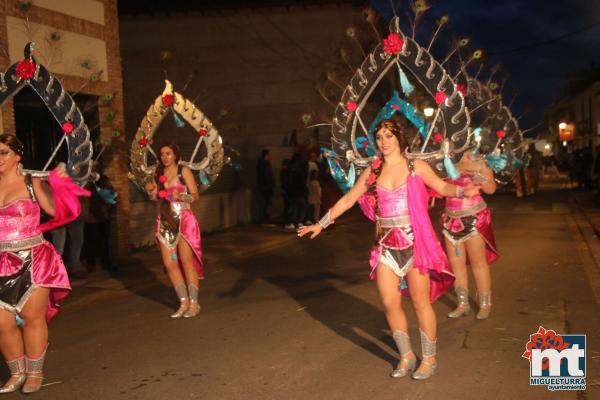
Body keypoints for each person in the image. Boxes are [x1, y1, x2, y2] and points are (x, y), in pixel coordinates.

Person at [299, 119, 478, 380]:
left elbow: (441, 187)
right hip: (385, 245)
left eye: (388, 136)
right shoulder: (373, 169)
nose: (384, 141)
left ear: (399, 138)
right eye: (380, 137)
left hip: (414, 243)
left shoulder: (416, 166)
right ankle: (406, 356)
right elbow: (349, 198)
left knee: (419, 302)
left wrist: (462, 191)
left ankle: (429, 359)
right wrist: (321, 223)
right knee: (389, 302)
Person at [0, 134, 89, 393]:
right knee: (2, 323)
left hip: (33, 258)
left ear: (18, 155)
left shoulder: (31, 182)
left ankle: (35, 373)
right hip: (0, 261)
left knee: (32, 317)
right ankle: (17, 373)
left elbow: (53, 209)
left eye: (4, 152)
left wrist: (58, 184)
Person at [145, 143, 203, 318]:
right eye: (162, 154)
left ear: (175, 155)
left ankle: (194, 303)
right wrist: (151, 192)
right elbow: (156, 199)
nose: (165, 157)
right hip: (165, 221)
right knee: (170, 264)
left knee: (186, 261)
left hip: (184, 220)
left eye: (168, 153)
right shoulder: (158, 174)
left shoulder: (183, 171)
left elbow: (195, 195)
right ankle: (183, 302)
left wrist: (182, 196)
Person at [442, 151, 498, 320]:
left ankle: (485, 304)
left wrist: (477, 175)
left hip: (474, 218)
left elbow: (491, 189)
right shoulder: (445, 161)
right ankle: (463, 304)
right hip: (450, 219)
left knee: (478, 263)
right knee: (456, 264)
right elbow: (438, 188)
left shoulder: (481, 161)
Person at [256, 149, 275, 224]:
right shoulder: (262, 165)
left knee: (268, 203)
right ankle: (264, 219)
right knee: (266, 203)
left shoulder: (267, 164)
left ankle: (266, 217)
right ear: (266, 155)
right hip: (265, 187)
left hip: (268, 187)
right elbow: (263, 176)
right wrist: (265, 186)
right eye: (269, 155)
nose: (270, 156)